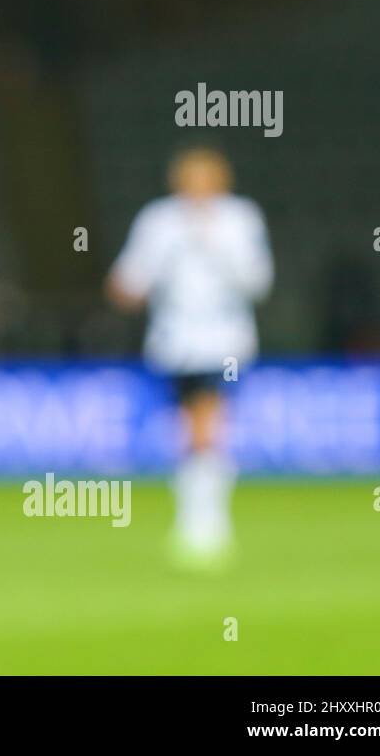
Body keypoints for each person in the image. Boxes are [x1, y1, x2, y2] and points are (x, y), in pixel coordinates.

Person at [107, 144, 273, 567]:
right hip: (174, 340)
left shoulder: (240, 218)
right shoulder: (159, 220)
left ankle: (206, 523)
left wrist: (215, 245)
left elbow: (258, 280)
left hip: (225, 339)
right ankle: (197, 517)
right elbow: (129, 279)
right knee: (187, 427)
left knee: (206, 421)